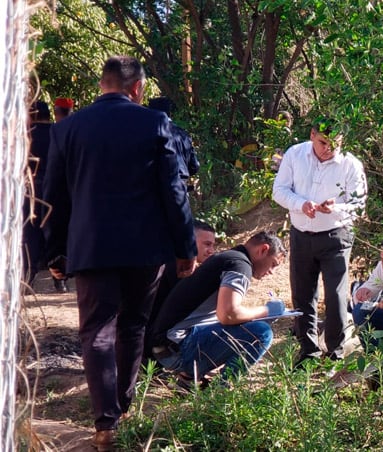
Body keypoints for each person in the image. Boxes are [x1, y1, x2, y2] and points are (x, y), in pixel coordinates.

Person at [43, 56, 196, 451]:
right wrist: (185, 248)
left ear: (102, 84)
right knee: (132, 326)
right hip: (146, 248)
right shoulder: (154, 123)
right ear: (138, 88)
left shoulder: (68, 128)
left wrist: (55, 253)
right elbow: (174, 193)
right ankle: (125, 409)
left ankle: (105, 425)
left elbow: (53, 198)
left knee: (96, 330)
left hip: (91, 245)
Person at [272, 117, 367, 368]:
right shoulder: (295, 154)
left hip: (336, 235)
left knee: (335, 297)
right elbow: (279, 191)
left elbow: (358, 206)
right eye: (323, 142)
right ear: (312, 135)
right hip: (301, 233)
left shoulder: (350, 164)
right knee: (302, 294)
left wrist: (336, 209)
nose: (328, 149)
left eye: (334, 144)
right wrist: (301, 204)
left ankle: (335, 350)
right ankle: (308, 351)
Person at [147, 231, 286, 388]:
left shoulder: (229, 257)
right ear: (263, 250)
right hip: (178, 349)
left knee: (251, 327)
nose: (271, 272)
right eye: (273, 264)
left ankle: (188, 378)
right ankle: (221, 392)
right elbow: (228, 314)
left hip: (166, 347)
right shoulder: (240, 265)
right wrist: (267, 310)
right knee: (261, 332)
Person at [144, 219, 217, 361]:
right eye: (207, 244)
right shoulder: (178, 266)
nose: (211, 251)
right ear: (189, 240)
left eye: (213, 245)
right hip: (152, 342)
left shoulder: (169, 260)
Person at [21, 101, 54, 290]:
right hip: (52, 188)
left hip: (30, 188)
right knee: (51, 230)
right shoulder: (58, 132)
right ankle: (59, 279)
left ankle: (29, 274)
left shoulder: (25, 135)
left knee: (31, 233)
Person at [148, 96, 200, 190]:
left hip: (157, 191)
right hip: (181, 189)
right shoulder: (183, 134)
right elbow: (194, 166)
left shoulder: (150, 134)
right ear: (170, 113)